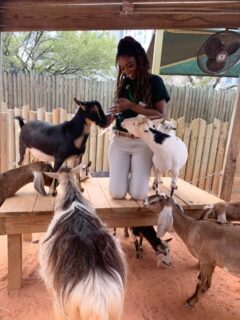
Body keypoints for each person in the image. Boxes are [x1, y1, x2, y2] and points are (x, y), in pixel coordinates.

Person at [107, 36, 170, 200]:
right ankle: (124, 179)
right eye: (122, 68)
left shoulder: (155, 82)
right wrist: (109, 116)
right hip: (119, 141)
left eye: (130, 65)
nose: (126, 71)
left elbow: (161, 115)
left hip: (143, 142)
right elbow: (119, 112)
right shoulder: (124, 83)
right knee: (116, 193)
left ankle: (136, 180)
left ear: (140, 61)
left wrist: (132, 106)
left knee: (138, 194)